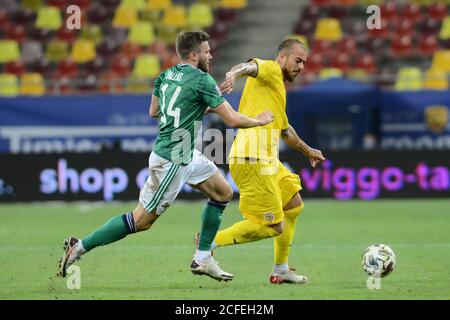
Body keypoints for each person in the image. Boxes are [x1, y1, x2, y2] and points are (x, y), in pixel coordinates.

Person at [58, 31, 274, 282]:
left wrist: (200, 104)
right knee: (141, 221)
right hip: (172, 159)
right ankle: (80, 246)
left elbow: (154, 111)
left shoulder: (165, 76)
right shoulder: (202, 80)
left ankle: (203, 258)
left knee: (223, 193)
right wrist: (260, 120)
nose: (210, 55)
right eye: (206, 51)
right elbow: (234, 119)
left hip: (186, 154)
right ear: (194, 55)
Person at [208, 38, 325, 284]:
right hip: (252, 158)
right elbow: (250, 66)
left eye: (304, 62)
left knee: (293, 204)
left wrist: (307, 150)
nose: (301, 66)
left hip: (268, 159)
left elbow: (285, 129)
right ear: (282, 57)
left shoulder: (276, 89)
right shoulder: (271, 70)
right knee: (273, 226)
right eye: (298, 60)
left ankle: (280, 269)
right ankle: (210, 242)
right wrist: (233, 73)